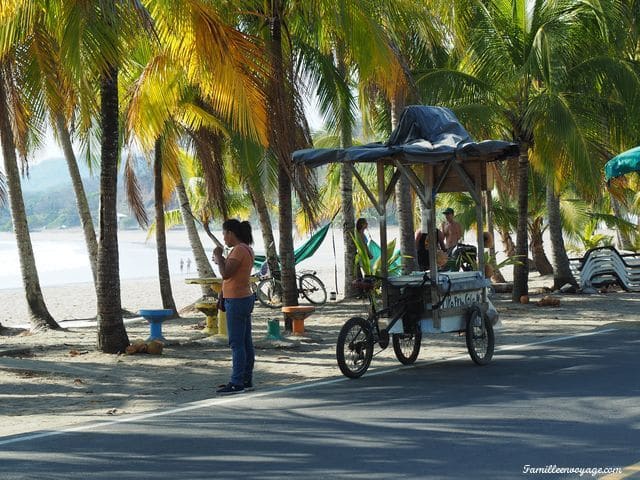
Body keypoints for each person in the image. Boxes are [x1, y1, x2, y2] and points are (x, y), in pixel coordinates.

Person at [212, 219, 255, 395]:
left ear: (230, 233)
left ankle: (237, 382)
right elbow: (232, 275)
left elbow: (226, 273)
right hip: (242, 297)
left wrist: (218, 256)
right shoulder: (246, 249)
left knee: (237, 343)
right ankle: (245, 378)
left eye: (224, 233)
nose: (223, 238)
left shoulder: (238, 250)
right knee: (245, 342)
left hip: (237, 300)